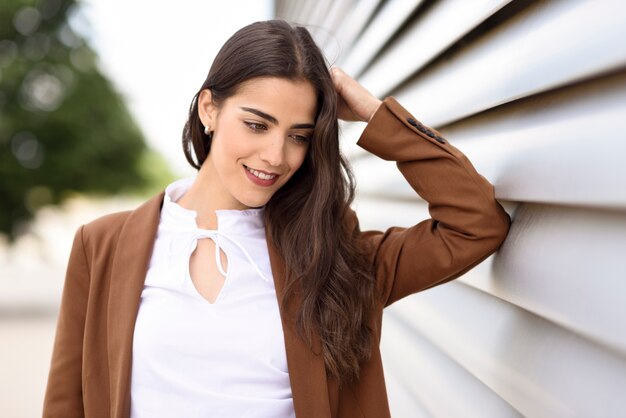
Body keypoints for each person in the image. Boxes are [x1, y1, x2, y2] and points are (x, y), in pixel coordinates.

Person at [42, 19, 511, 418]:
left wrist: (375, 114)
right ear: (210, 108)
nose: (275, 155)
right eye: (256, 124)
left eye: (299, 136)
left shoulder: (333, 254)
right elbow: (67, 404)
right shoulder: (101, 245)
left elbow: (475, 223)